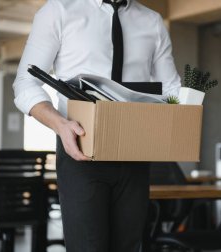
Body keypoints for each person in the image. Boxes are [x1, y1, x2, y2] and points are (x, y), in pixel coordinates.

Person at [12, 0, 181, 251]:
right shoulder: (58, 10)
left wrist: (185, 111)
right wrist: (60, 125)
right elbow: (25, 83)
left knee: (129, 247)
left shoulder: (152, 21)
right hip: (80, 149)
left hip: (135, 152)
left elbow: (171, 89)